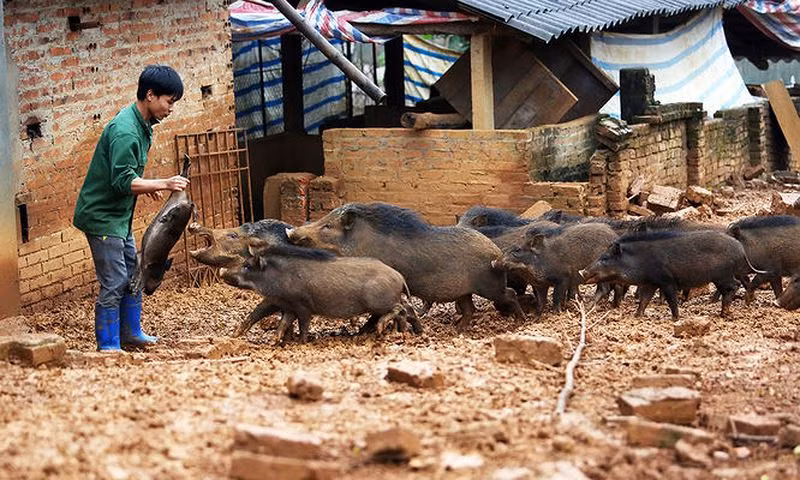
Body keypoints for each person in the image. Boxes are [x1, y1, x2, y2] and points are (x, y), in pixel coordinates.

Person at [73, 65, 189, 351]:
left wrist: (144, 185)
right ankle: (109, 346)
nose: (171, 108)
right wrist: (162, 183)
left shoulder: (142, 124)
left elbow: (128, 175)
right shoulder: (126, 131)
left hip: (119, 218)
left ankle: (131, 333)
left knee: (133, 271)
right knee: (113, 282)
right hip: (102, 218)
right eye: (169, 101)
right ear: (150, 95)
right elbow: (122, 181)